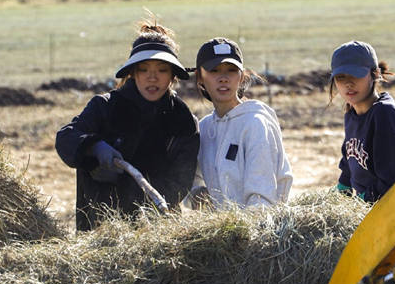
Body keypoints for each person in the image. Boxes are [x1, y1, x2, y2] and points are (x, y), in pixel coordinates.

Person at [56, 17, 199, 231]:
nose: (152, 77)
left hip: (157, 232)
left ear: (172, 75)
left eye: (161, 70)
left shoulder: (182, 119)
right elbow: (65, 138)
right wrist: (93, 147)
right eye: (144, 69)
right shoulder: (104, 106)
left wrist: (140, 210)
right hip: (99, 231)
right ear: (132, 72)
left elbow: (180, 183)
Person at [191, 37, 292, 208]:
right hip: (224, 231)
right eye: (214, 70)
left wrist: (244, 233)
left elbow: (262, 199)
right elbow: (194, 182)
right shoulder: (205, 128)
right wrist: (197, 193)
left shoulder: (255, 123)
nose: (223, 78)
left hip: (259, 229)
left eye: (231, 70)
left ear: (242, 76)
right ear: (199, 77)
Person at [329, 40, 395, 203]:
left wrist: (364, 200)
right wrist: (339, 195)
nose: (348, 83)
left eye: (356, 75)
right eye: (341, 77)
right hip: (368, 211)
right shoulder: (351, 113)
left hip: (393, 213)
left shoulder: (383, 113)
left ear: (375, 74)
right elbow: (349, 162)